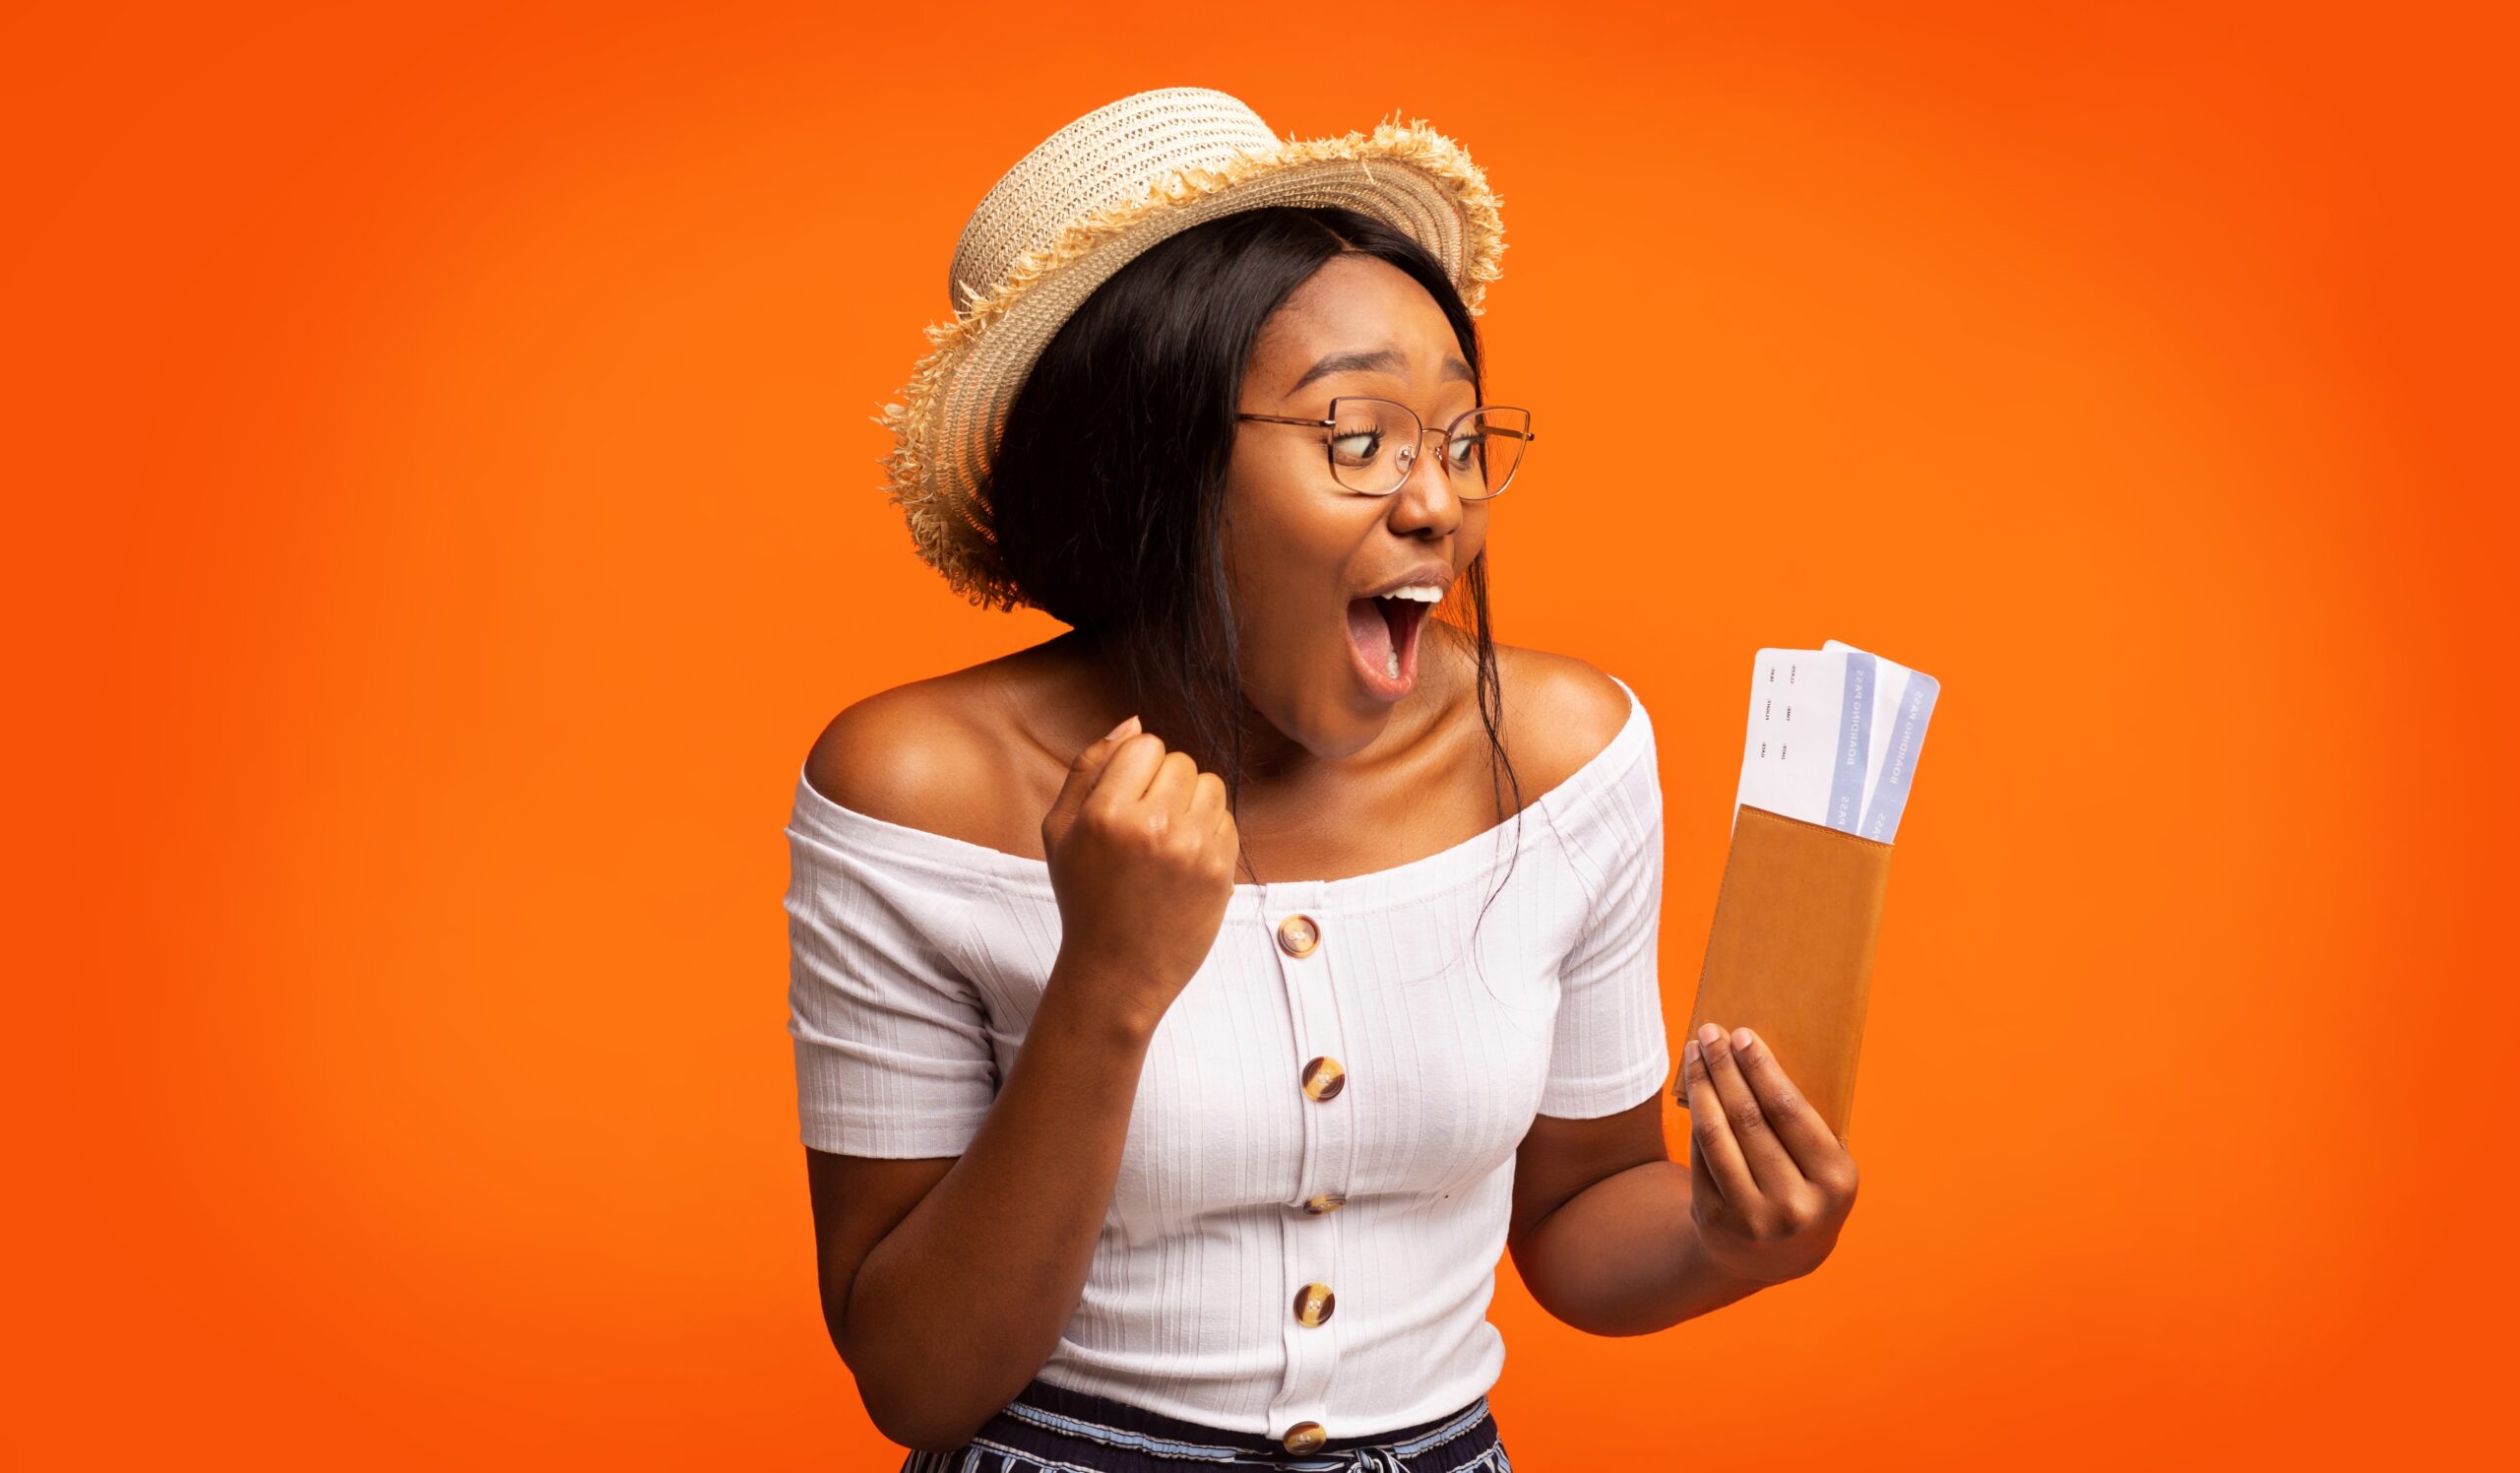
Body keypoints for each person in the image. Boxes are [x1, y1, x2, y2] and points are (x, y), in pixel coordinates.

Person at [785, 87, 1860, 1470]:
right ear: (1150, 462)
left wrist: (1733, 1238)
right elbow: (916, 1380)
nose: (1437, 504)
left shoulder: (1563, 756)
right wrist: (1107, 985)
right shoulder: (918, 786)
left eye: (1460, 441)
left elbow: (1579, 1213)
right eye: (1359, 440)